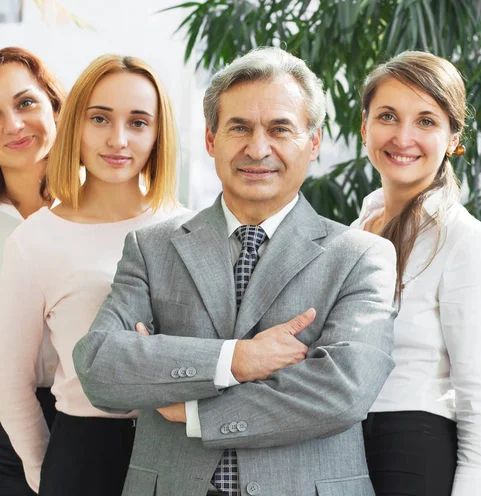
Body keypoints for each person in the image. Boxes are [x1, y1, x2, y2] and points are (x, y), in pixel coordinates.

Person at [72, 47, 397, 496]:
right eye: (239, 128)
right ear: (210, 139)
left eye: (280, 129)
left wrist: (191, 411)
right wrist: (235, 359)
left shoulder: (361, 256)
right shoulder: (152, 247)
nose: (257, 148)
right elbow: (100, 365)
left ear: (314, 142)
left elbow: (341, 391)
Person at [0, 54, 187, 496]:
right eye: (99, 118)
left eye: (139, 122)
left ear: (160, 134)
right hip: (83, 454)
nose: (118, 140)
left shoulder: (190, 229)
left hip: (181, 451)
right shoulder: (34, 240)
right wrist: (46, 474)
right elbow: (11, 386)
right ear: (75, 124)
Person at [356, 51, 481, 496]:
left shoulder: (467, 242)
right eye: (388, 116)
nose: (403, 137)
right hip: (341, 450)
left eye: (425, 121)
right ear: (364, 126)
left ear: (453, 137)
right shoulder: (355, 230)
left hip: (412, 457)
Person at [0, 47, 64, 496]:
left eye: (25, 103)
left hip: (97, 419)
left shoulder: (109, 209)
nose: (13, 126)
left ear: (55, 104)